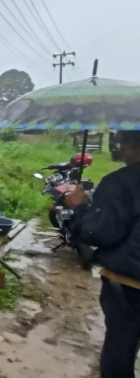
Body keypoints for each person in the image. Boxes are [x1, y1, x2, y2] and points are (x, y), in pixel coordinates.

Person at [65, 130, 140, 378]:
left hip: (129, 288)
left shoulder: (122, 182)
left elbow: (99, 234)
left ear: (130, 143)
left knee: (119, 358)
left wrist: (80, 208)